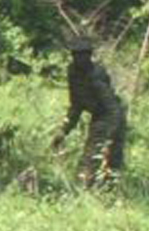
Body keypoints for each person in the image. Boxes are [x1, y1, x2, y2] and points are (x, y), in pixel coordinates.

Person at [51, 37, 126, 188]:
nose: (79, 59)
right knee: (91, 160)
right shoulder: (73, 72)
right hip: (99, 116)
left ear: (89, 55)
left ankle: (103, 191)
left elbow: (112, 107)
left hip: (109, 116)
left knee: (104, 161)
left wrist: (110, 135)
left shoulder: (96, 74)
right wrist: (64, 131)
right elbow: (76, 105)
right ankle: (89, 189)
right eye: (76, 54)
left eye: (83, 54)